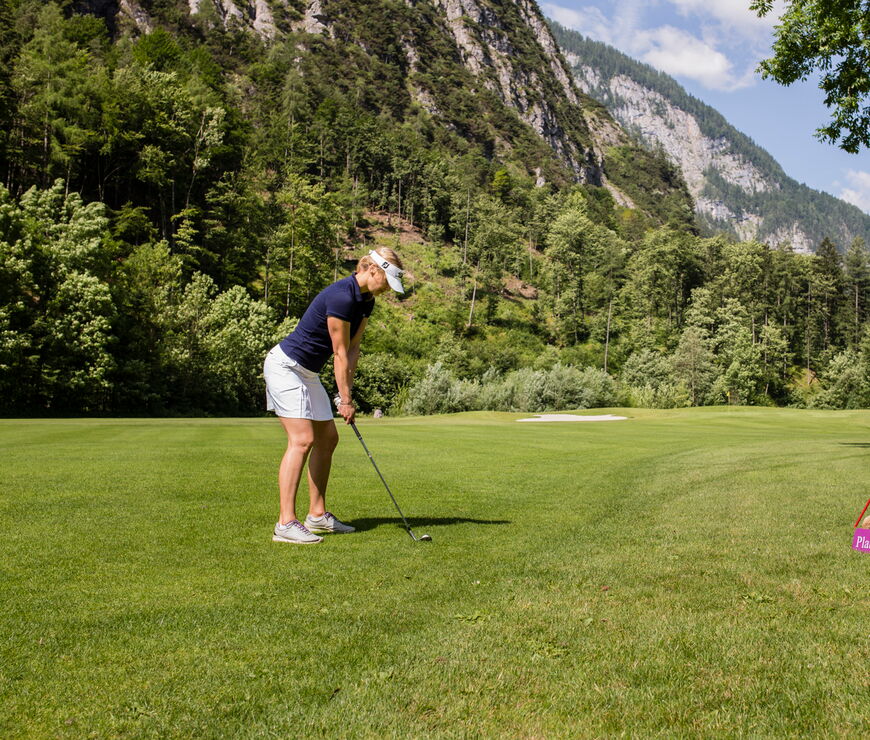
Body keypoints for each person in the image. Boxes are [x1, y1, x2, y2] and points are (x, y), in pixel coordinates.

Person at [263, 247, 405, 544]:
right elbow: (338, 353)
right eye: (386, 283)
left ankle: (317, 516)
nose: (387, 291)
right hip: (286, 367)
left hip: (308, 373)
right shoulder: (341, 296)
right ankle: (285, 523)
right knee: (302, 440)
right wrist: (345, 400)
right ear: (373, 271)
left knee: (328, 439)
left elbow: (352, 349)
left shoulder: (366, 301)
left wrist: (346, 395)